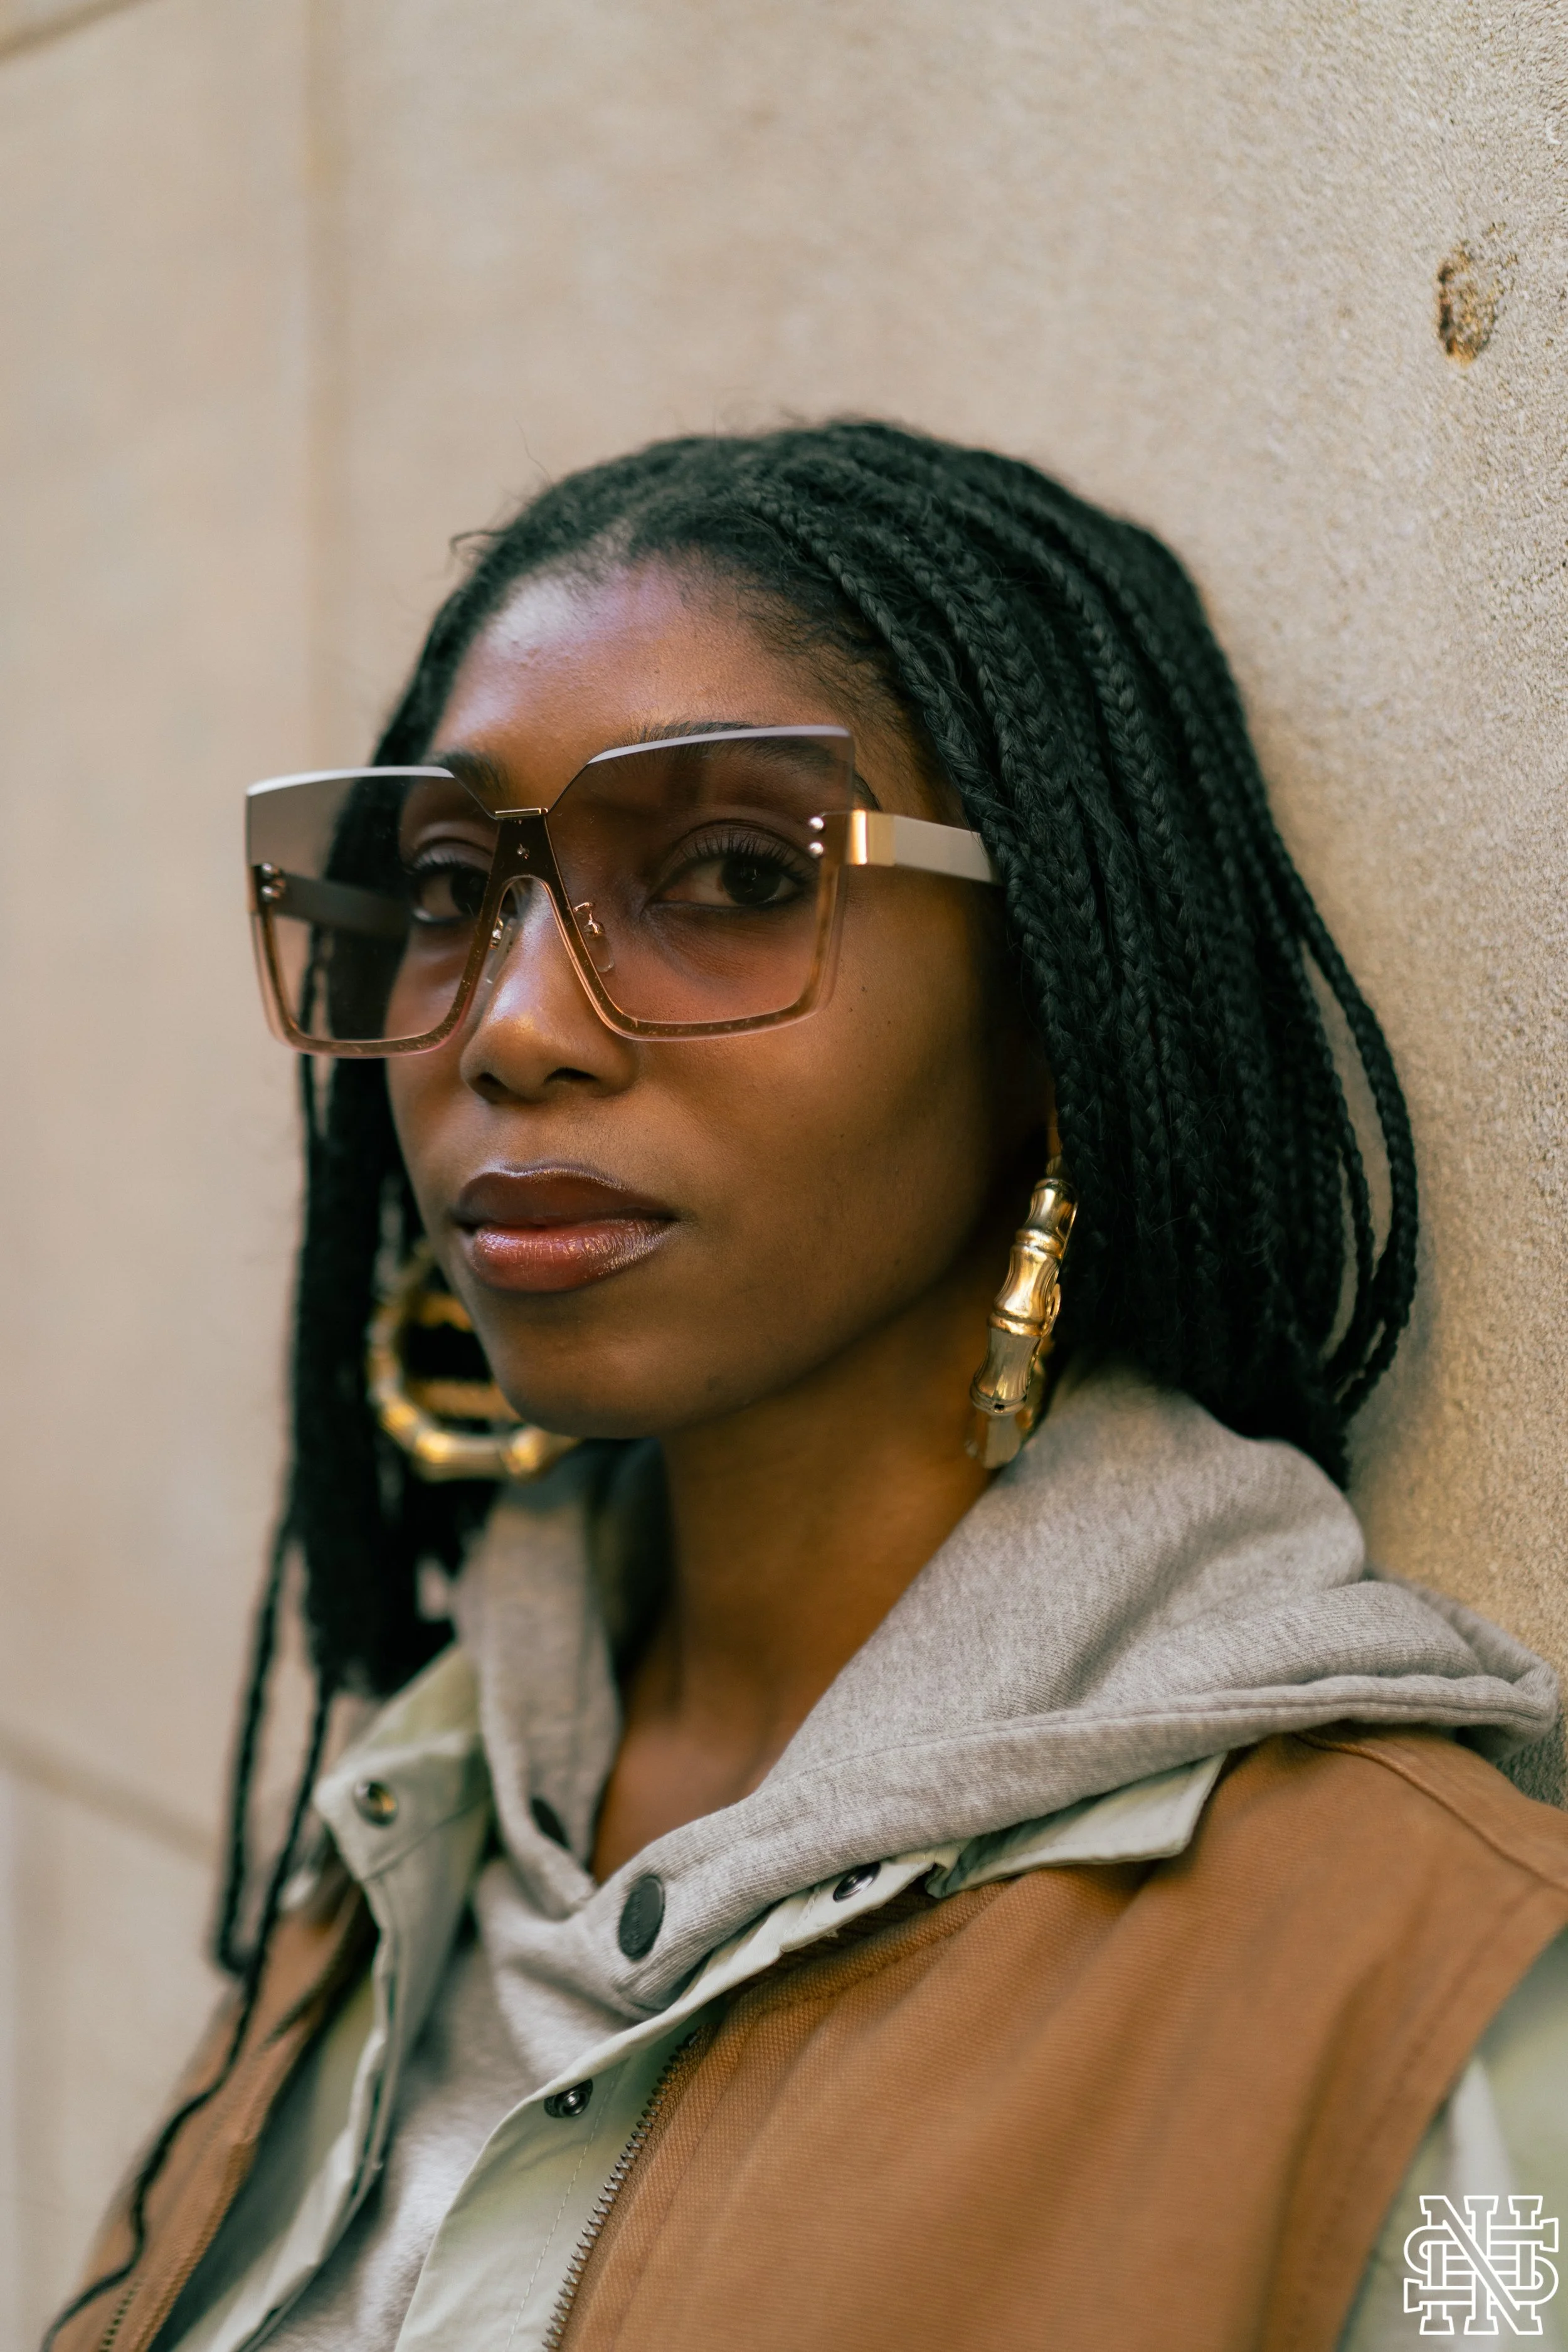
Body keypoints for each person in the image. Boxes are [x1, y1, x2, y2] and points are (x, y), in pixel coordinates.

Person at [51, 422, 1568, 2352]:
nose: (512, 1024)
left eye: (732, 875)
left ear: (1048, 996)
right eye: (446, 885)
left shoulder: (1439, 1992)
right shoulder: (410, 1812)